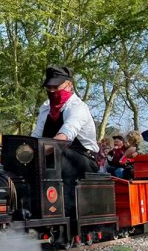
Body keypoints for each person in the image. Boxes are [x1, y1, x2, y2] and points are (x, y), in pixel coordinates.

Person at [31, 65, 98, 217]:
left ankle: (64, 213)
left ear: (69, 85)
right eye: (49, 87)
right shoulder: (45, 107)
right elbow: (36, 135)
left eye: (56, 86)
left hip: (84, 159)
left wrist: (38, 152)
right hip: (51, 153)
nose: (52, 90)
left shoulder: (78, 107)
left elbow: (65, 136)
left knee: (59, 157)